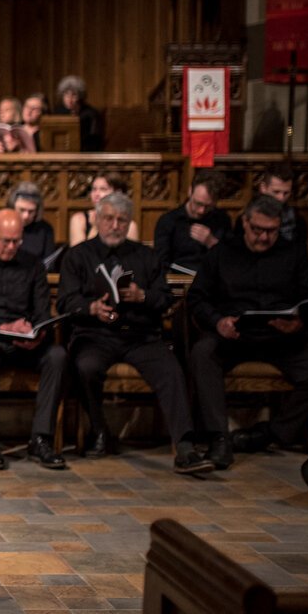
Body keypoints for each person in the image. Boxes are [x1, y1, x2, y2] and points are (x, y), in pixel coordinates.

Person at [57, 193, 214, 473]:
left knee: (171, 370)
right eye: (109, 219)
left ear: (129, 222)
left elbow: (166, 299)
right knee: (85, 367)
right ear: (97, 219)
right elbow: (65, 301)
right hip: (95, 335)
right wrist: (91, 307)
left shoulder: (146, 256)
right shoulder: (78, 255)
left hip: (140, 336)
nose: (115, 225)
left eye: (121, 220)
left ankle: (186, 447)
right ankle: (99, 430)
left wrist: (142, 296)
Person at [187, 195, 308, 464]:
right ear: (244, 222)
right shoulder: (222, 252)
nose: (264, 238)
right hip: (235, 336)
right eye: (258, 230)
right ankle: (219, 439)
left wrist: (298, 321)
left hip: (281, 338)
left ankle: (269, 434)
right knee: (202, 353)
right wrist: (218, 321)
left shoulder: (293, 253)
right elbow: (197, 298)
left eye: (271, 231)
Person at [0, 208, 69, 471]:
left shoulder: (33, 266)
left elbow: (42, 312)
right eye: (5, 240)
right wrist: (1, 326)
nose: (10, 247)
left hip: (26, 341)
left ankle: (41, 439)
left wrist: (36, 332)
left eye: (16, 241)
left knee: (58, 356)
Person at [153, 174, 228, 273]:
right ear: (190, 192)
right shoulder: (169, 220)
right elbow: (161, 262)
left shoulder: (222, 219)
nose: (201, 211)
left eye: (208, 206)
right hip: (178, 281)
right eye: (198, 204)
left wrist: (211, 242)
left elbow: (230, 260)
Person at [0, 182, 57, 266]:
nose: (26, 216)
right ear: (12, 207)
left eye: (31, 211)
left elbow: (49, 263)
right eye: (22, 210)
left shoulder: (45, 229)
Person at [69, 172, 141, 245]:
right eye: (94, 189)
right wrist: (95, 228)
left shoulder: (130, 225)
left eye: (103, 189)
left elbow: (132, 254)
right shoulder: (79, 219)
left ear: (117, 193)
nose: (96, 194)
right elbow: (78, 254)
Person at [237, 163, 299, 245]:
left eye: (286, 193)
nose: (281, 198)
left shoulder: (297, 220)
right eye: (276, 192)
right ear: (263, 188)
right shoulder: (247, 218)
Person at [55, 74, 104, 151]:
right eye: (66, 95)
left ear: (80, 97)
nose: (69, 99)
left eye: (74, 95)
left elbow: (95, 139)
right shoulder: (58, 112)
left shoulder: (91, 114)